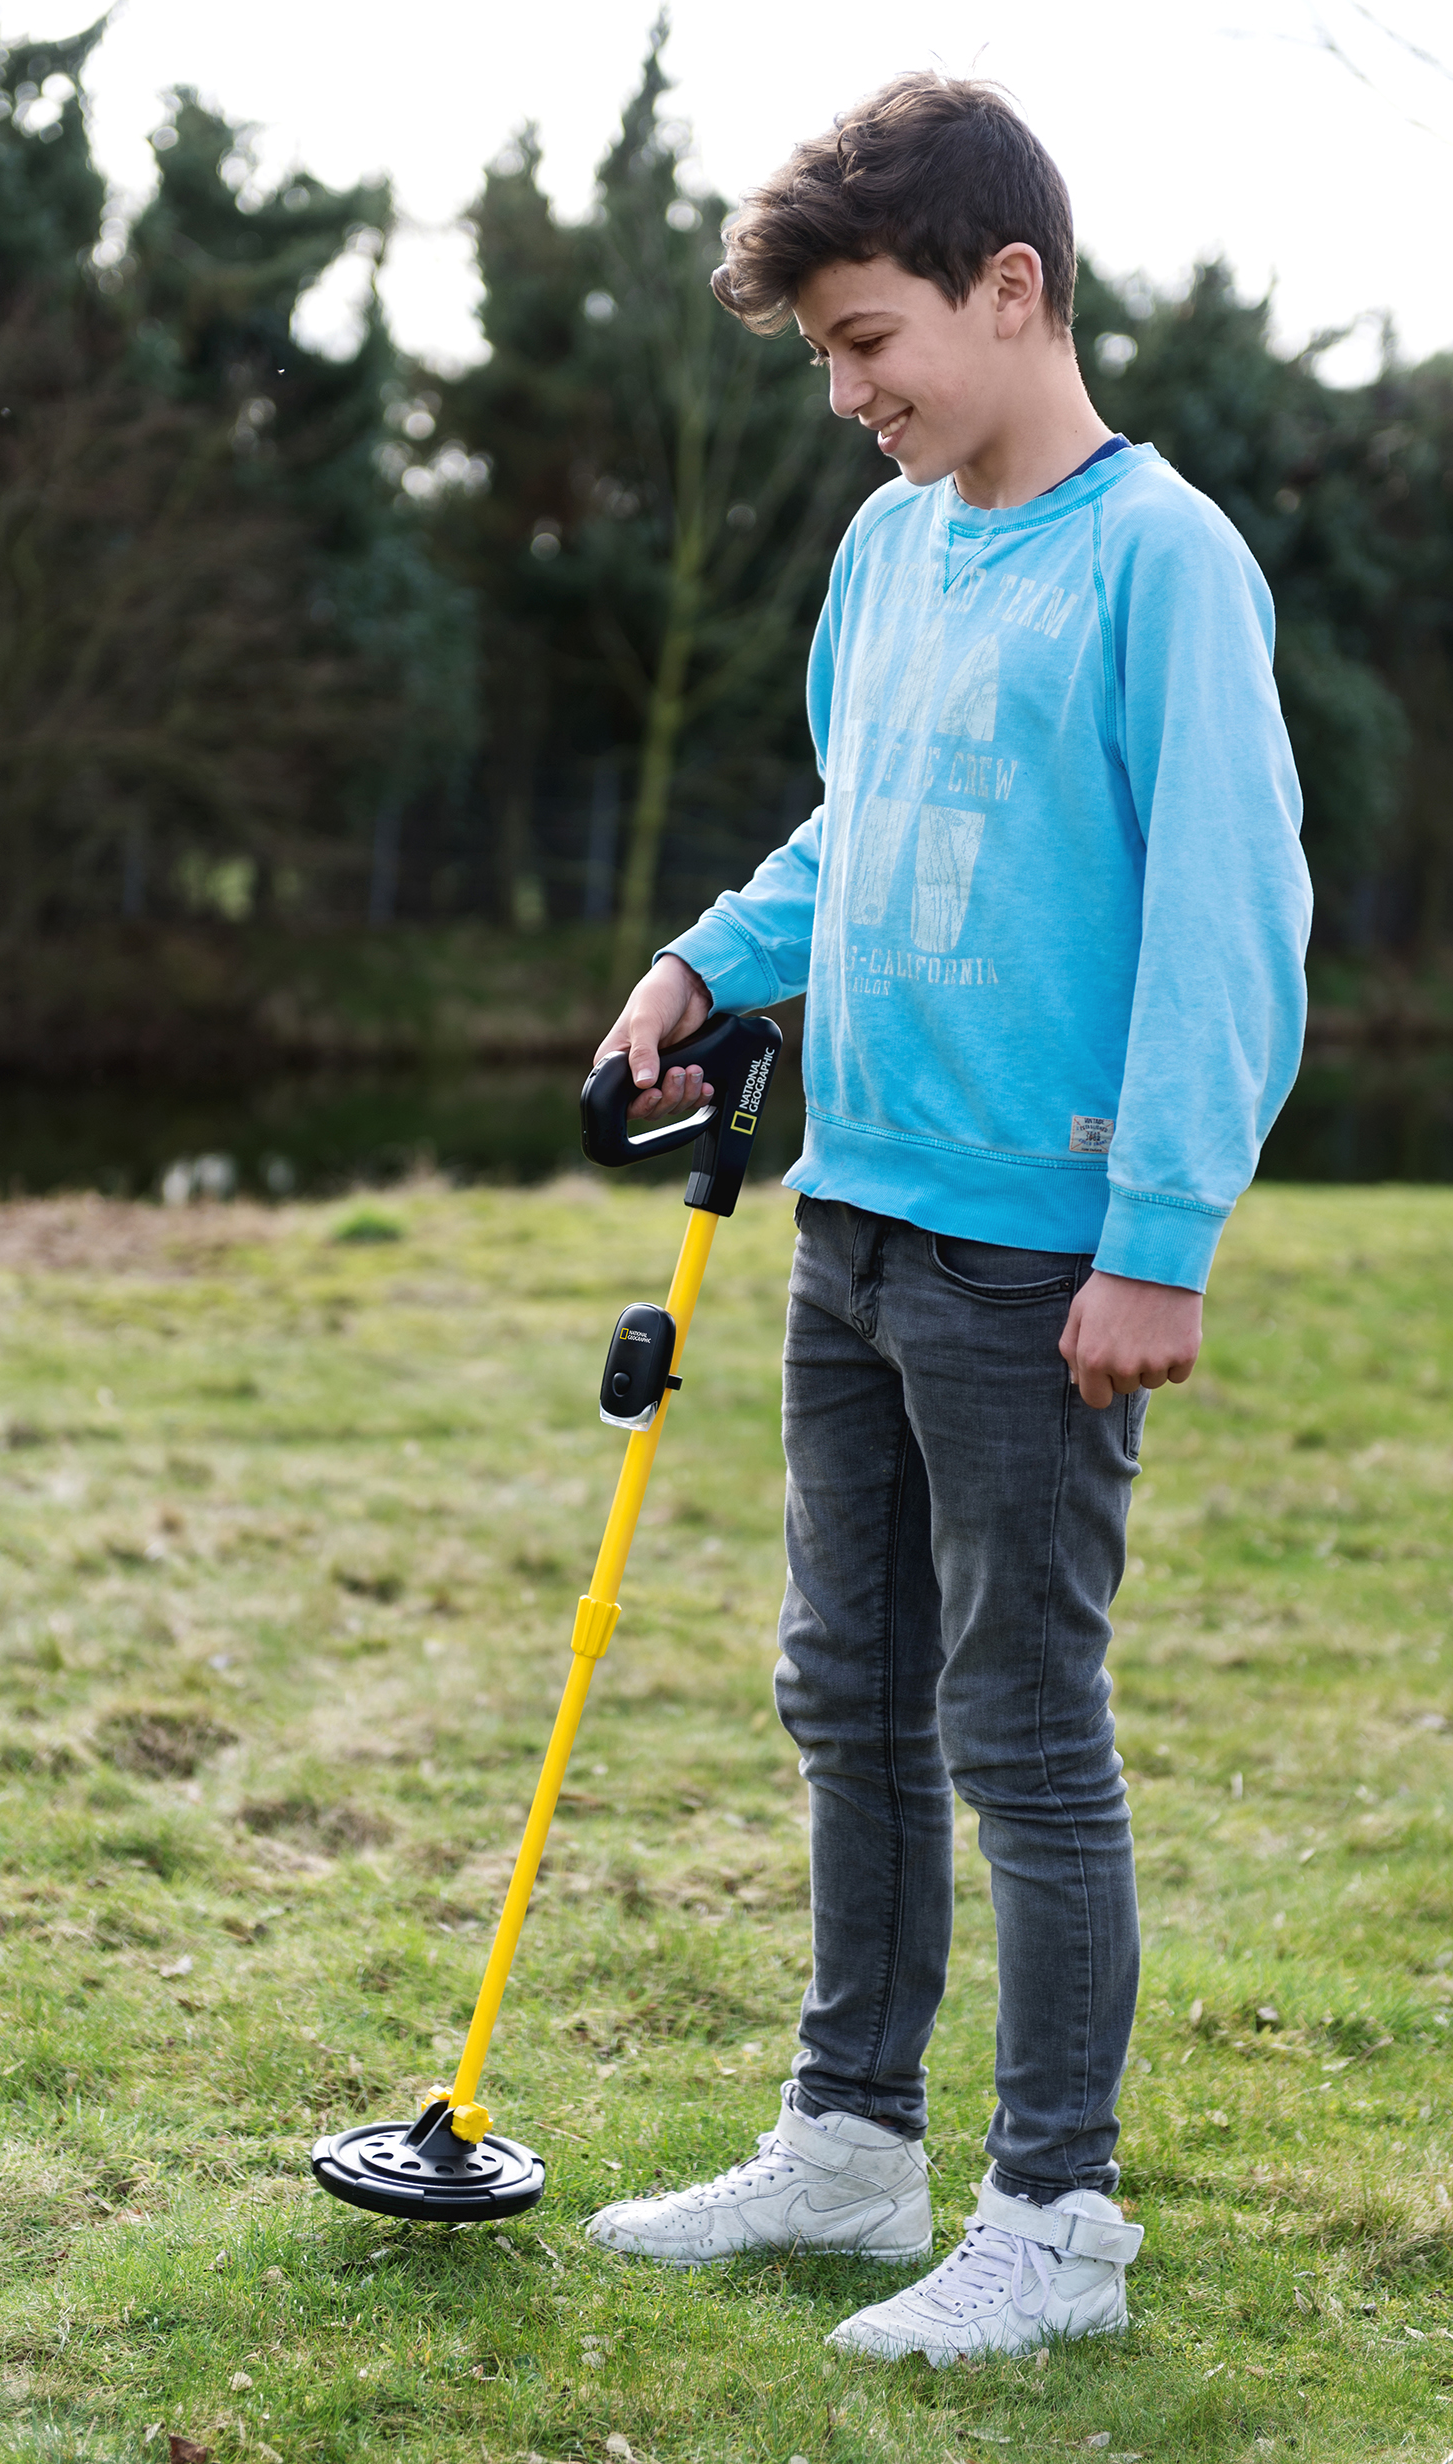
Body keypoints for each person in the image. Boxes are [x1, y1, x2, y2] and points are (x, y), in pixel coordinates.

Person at [582, 72, 1311, 2366]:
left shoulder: (1162, 560)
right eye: (815, 352)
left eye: (867, 334)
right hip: (856, 1214)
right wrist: (707, 960)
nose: (844, 389)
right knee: (846, 1689)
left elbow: (1232, 913)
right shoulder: (885, 549)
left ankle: (1057, 2216)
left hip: (1039, 1252)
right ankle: (849, 2139)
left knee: (1019, 1716)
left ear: (1012, 290)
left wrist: (1160, 1231)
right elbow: (852, 826)